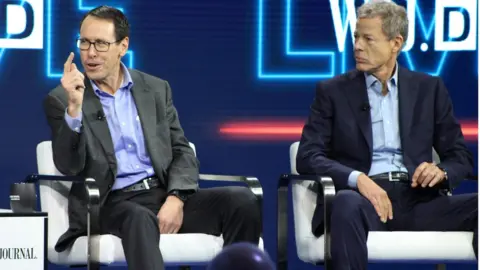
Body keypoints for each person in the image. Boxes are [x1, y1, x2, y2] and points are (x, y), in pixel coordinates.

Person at [43, 6, 261, 270]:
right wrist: (75, 109)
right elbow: (68, 165)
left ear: (123, 46)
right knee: (138, 217)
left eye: (100, 43)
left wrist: (176, 198)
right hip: (108, 203)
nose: (90, 53)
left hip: (159, 194)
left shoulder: (155, 89)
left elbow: (182, 150)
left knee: (241, 201)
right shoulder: (62, 98)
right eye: (85, 42)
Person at [296, 1, 477, 269]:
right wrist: (358, 180)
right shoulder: (332, 92)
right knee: (344, 203)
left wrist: (441, 171)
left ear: (396, 43)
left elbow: (460, 157)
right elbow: (308, 156)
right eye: (356, 36)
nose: (357, 46)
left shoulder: (429, 89)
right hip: (362, 201)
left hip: (419, 200)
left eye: (368, 39)